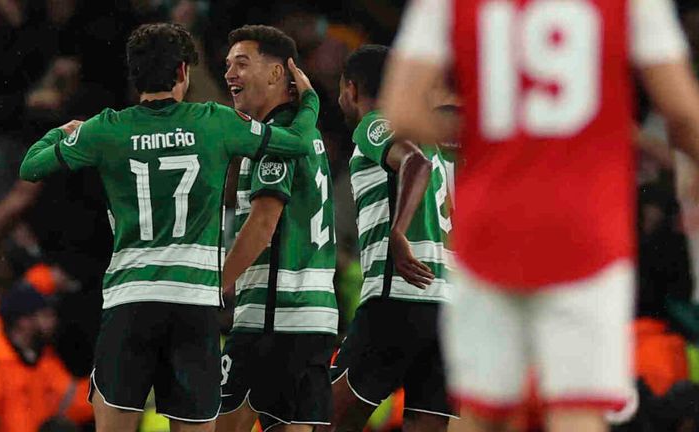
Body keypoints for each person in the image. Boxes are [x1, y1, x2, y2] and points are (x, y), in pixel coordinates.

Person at [380, 0, 699, 431]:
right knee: (577, 410)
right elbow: (683, 115)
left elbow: (400, 111)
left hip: (490, 231)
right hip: (587, 232)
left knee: (479, 412)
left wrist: (488, 140)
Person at [18, 22, 321, 432]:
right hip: (193, 306)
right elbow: (298, 143)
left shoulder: (106, 128)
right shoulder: (215, 121)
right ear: (182, 72)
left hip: (130, 303)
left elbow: (31, 166)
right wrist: (309, 102)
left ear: (135, 74)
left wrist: (63, 130)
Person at [321, 44, 457, 432]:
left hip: (397, 298)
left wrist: (397, 232)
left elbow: (414, 162)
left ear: (350, 89)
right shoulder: (442, 142)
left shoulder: (377, 123)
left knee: (326, 421)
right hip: (448, 306)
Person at [218, 25, 338, 432]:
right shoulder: (308, 136)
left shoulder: (279, 137)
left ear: (276, 74)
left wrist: (214, 286)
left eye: (242, 63)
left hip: (271, 321)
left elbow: (263, 223)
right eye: (228, 65)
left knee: (212, 427)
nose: (230, 74)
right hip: (316, 320)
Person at [0, 281, 93, 432]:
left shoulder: (40, 360)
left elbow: (74, 402)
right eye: (45, 315)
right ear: (23, 322)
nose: (53, 322)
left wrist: (111, 390)